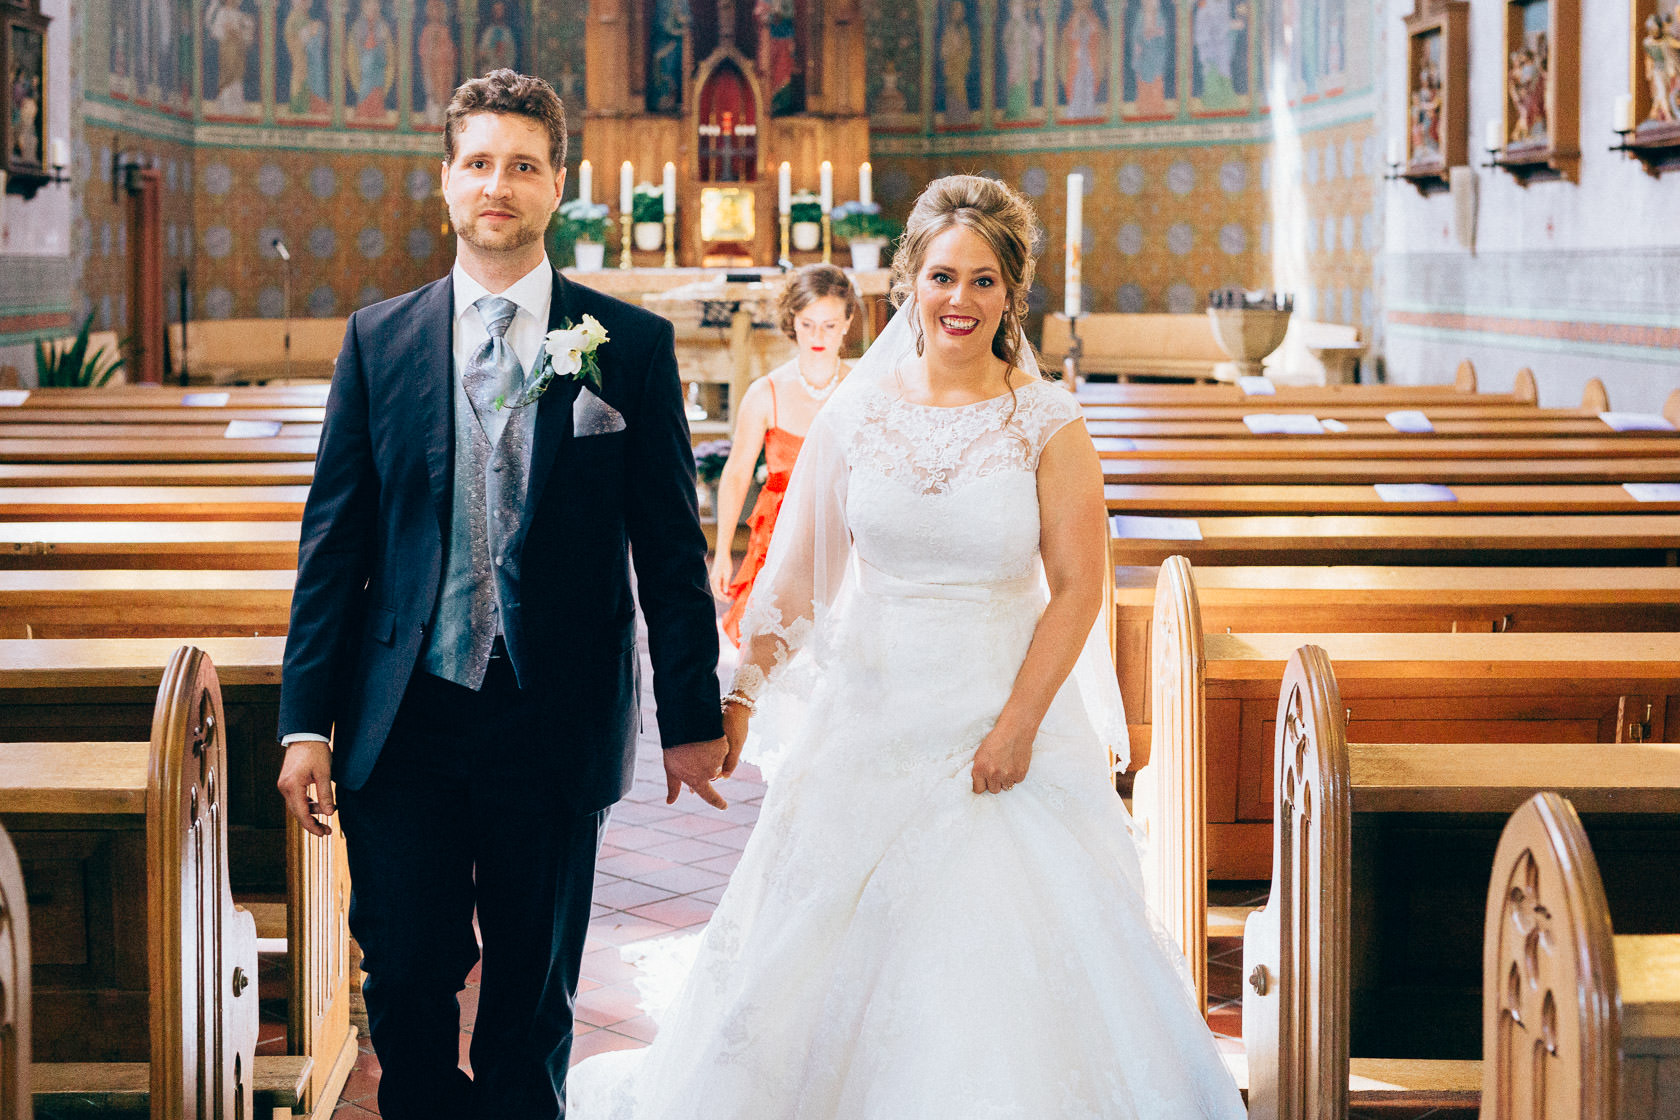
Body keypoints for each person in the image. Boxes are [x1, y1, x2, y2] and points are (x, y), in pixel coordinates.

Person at [567, 174, 1248, 1118]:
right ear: (907, 285)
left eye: (982, 280)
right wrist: (740, 697)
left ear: (1012, 292)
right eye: (941, 276)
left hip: (1002, 720)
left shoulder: (1049, 423)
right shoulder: (857, 412)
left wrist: (1015, 728)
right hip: (871, 717)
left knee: (997, 954)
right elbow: (799, 580)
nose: (959, 299)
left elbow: (1081, 589)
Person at [274, 69, 731, 1120]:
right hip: (406, 715)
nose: (498, 184)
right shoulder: (379, 341)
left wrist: (692, 718)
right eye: (478, 162)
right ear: (445, 180)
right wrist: (306, 722)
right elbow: (332, 546)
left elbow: (670, 548)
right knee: (407, 988)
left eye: (523, 165)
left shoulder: (630, 347)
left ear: (557, 185)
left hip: (552, 714)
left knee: (532, 1003)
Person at [709, 264, 859, 645]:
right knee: (774, 647)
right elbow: (737, 473)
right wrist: (724, 551)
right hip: (779, 536)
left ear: (847, 321)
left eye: (829, 324)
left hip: (845, 531)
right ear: (793, 320)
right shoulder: (766, 393)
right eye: (808, 324)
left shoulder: (861, 390)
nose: (818, 336)